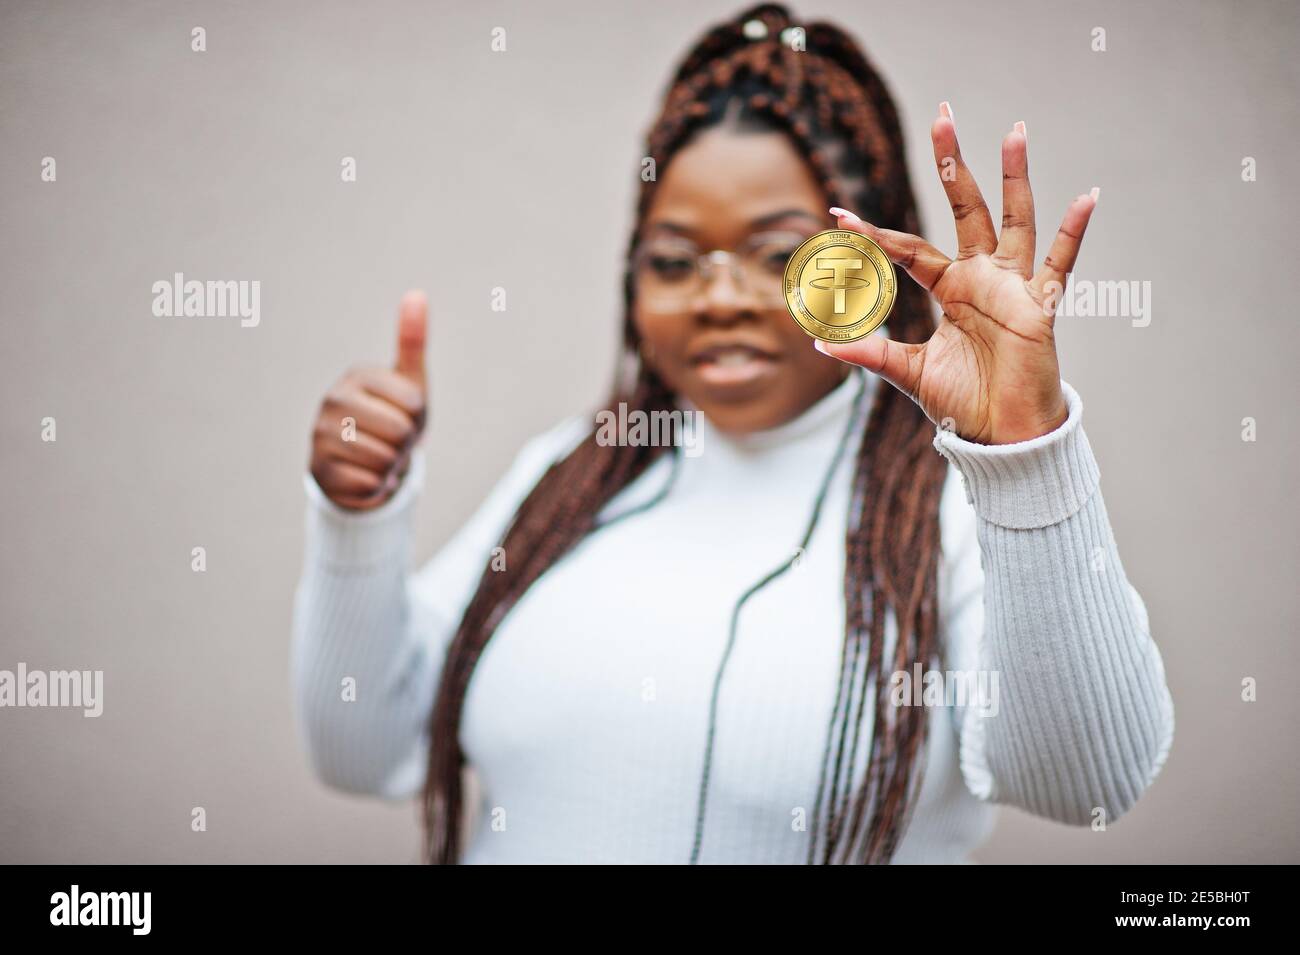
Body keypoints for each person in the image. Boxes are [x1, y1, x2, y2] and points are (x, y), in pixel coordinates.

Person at [291, 2, 1174, 864]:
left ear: (875, 269)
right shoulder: (570, 475)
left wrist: (1024, 457)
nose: (717, 298)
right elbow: (367, 748)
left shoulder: (949, 501)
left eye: (778, 254)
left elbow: (1086, 783)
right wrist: (356, 516)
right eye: (674, 260)